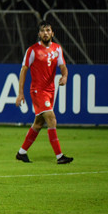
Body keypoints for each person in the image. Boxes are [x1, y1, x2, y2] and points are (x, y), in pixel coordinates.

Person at [15, 20, 73, 164]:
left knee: (38, 124)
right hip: (37, 91)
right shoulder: (32, 50)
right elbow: (23, 70)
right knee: (51, 118)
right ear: (39, 34)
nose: (45, 33)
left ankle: (21, 153)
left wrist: (65, 76)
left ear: (52, 33)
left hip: (50, 91)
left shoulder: (57, 49)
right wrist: (20, 93)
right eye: (42, 30)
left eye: (48, 30)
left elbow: (63, 66)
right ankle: (59, 156)